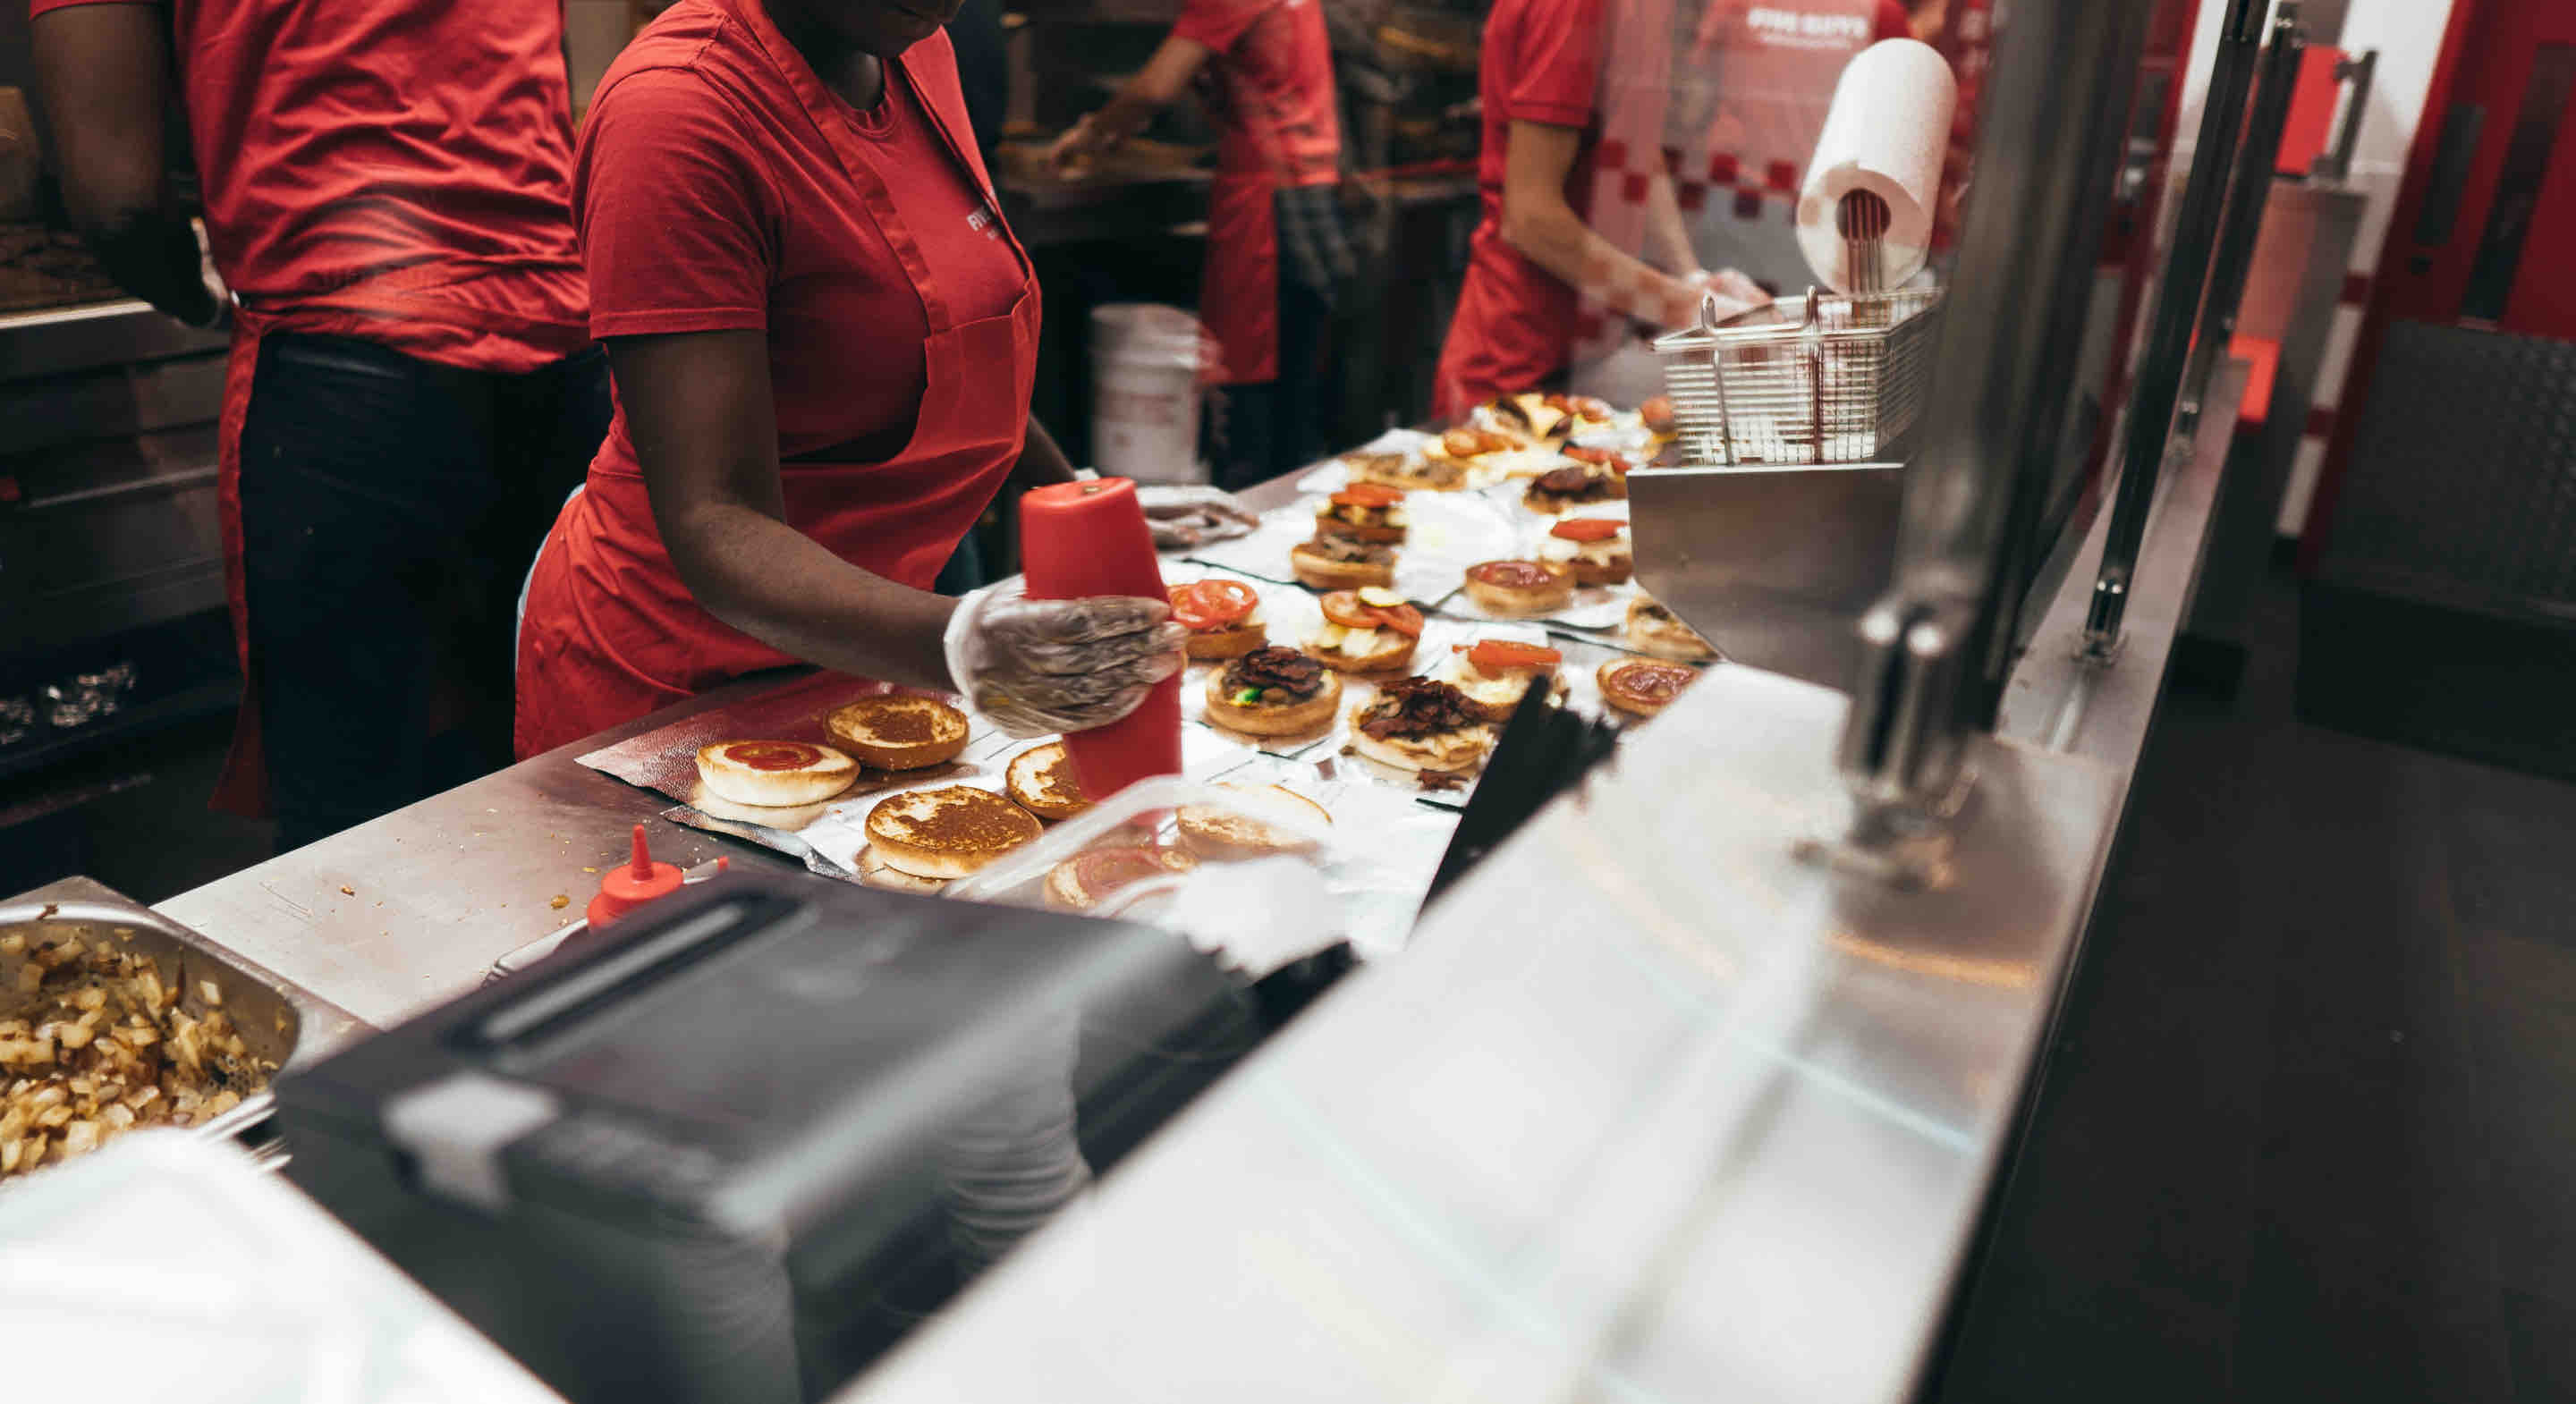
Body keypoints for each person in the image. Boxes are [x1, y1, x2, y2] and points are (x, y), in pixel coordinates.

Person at [513, 0, 1191, 759]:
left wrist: (1079, 502)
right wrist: (961, 643)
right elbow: (715, 523)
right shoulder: (678, 111)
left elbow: (960, 350)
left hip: (868, 648)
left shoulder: (913, 47)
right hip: (680, 685)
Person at [31, 0, 611, 853]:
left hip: (350, 361)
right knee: (567, 794)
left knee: (355, 830)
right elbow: (588, 93)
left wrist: (197, 295)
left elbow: (116, 198)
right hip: (568, 340)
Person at [1046, 0, 1352, 489]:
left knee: (1253, 398)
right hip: (1307, 186)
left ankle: (1253, 526)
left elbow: (1154, 88)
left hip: (1268, 201)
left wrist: (1088, 138)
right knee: (1296, 396)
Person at [1431, 0, 1764, 419]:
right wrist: (1681, 305)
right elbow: (1530, 219)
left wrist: (1691, 276)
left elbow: (1635, 146)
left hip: (1592, 354)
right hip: (1519, 372)